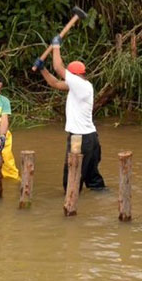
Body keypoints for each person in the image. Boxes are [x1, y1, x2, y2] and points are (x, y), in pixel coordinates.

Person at [34, 35, 106, 192]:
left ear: (74, 75)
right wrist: (42, 69)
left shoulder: (80, 84)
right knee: (92, 176)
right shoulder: (80, 86)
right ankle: (100, 200)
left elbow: (59, 68)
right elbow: (54, 83)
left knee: (72, 174)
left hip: (79, 138)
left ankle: (70, 204)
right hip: (91, 137)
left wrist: (56, 47)